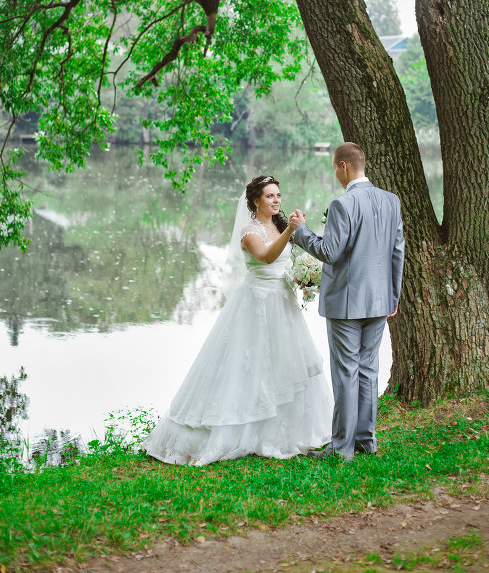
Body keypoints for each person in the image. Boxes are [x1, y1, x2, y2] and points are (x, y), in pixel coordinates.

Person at [144, 175, 332, 466]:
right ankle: (240, 432)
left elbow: (285, 260)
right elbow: (267, 257)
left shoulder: (279, 226)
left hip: (283, 302)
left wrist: (304, 274)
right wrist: (291, 231)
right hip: (256, 304)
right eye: (270, 196)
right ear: (255, 201)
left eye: (278, 195)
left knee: (285, 364)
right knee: (251, 365)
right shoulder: (249, 232)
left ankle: (285, 432)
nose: (277, 200)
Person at [291, 143, 404, 460]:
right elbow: (398, 251)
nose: (335, 174)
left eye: (334, 167)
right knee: (368, 370)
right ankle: (366, 442)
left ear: (343, 166)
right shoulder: (390, 201)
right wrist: (392, 296)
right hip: (380, 300)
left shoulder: (343, 204)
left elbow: (329, 252)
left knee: (346, 372)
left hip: (347, 303)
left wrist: (302, 231)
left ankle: (341, 448)